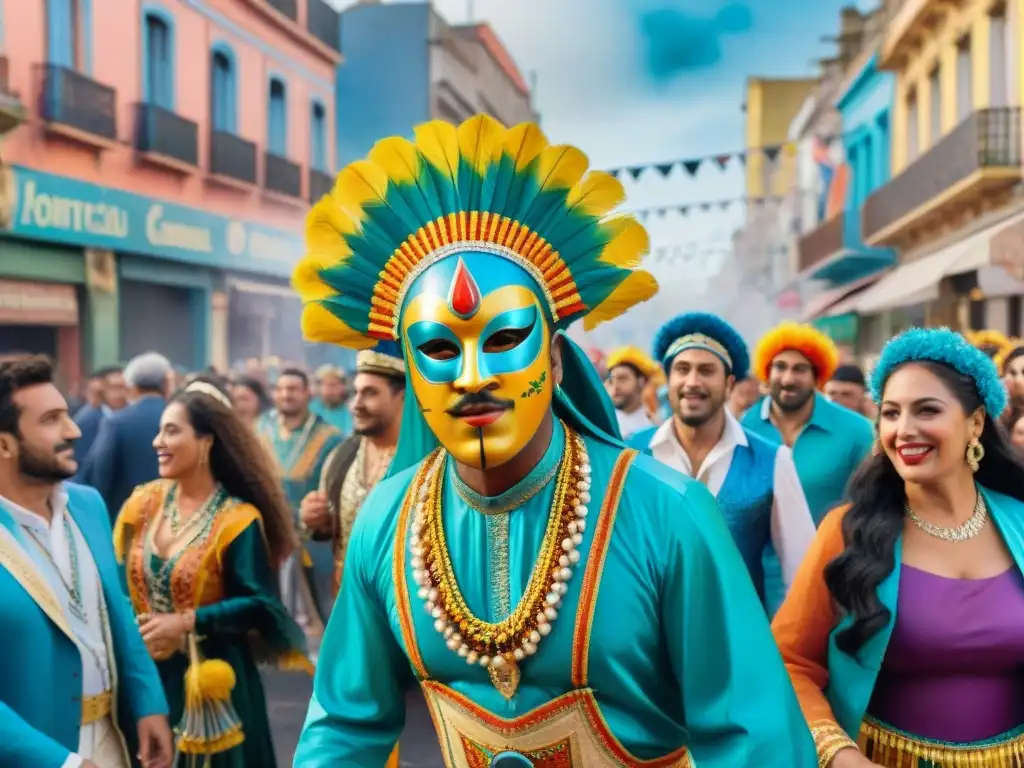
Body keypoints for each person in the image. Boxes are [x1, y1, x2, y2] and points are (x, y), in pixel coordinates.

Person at [291, 114, 815, 765]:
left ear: (557, 361)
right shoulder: (387, 523)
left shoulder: (667, 513)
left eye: (505, 339)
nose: (473, 375)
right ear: (412, 375)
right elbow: (344, 726)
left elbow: (753, 739)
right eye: (437, 349)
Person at [773, 327, 1024, 766]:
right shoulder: (847, 533)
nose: (904, 430)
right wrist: (839, 754)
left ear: (976, 423)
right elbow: (789, 662)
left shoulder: (1020, 522)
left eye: (926, 410)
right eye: (890, 414)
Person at [113, 380, 311, 768]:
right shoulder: (144, 503)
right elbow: (122, 583)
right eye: (159, 431)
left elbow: (261, 606)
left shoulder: (236, 520)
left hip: (215, 688)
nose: (158, 442)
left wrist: (187, 622)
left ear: (206, 442)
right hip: (148, 679)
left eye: (172, 431)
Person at [0, 356, 173, 768]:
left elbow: (118, 611)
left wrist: (149, 702)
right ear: (4, 444)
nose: (74, 429)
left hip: (113, 740)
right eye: (51, 420)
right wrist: (59, 761)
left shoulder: (88, 504)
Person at [631, 313, 815, 610]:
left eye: (706, 370)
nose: (693, 382)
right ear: (668, 380)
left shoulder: (772, 459)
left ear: (729, 383)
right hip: (647, 645)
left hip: (738, 645)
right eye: (682, 369)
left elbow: (802, 572)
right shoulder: (631, 455)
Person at [742, 323, 874, 614]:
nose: (788, 378)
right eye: (780, 367)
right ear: (767, 372)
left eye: (800, 369)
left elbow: (874, 506)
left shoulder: (856, 431)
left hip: (834, 586)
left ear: (817, 376)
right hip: (756, 590)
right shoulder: (740, 431)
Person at [257, 368, 342, 644]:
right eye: (280, 389)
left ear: (308, 394)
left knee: (326, 612)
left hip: (314, 539)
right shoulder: (260, 430)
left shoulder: (330, 437)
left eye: (293, 389)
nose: (286, 395)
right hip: (268, 536)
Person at [78, 352, 172, 520]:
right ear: (166, 384)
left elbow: (101, 476)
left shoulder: (117, 423)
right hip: (176, 520)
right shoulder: (185, 419)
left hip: (129, 521)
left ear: (131, 386)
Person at [73, 366, 128, 464]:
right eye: (114, 388)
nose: (120, 393)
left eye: (123, 387)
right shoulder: (87, 421)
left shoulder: (133, 417)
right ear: (103, 390)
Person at [605, 346, 659, 439]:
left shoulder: (656, 427)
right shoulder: (603, 426)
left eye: (622, 378)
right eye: (611, 380)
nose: (615, 386)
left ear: (641, 381)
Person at [311, 365, 353, 435]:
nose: (330, 390)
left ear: (342, 386)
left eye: (333, 385)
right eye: (327, 385)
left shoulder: (350, 410)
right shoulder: (311, 408)